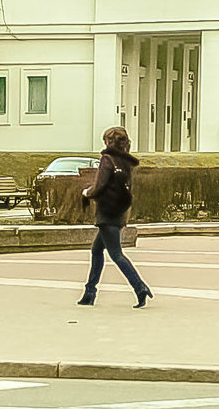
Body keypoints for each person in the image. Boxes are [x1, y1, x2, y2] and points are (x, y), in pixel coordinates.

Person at [78, 126, 153, 308]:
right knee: (97, 250)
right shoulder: (125, 160)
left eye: (106, 141)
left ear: (109, 142)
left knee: (116, 254)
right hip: (119, 211)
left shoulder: (108, 158)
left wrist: (87, 193)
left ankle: (139, 287)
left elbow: (100, 184)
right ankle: (89, 292)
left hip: (107, 212)